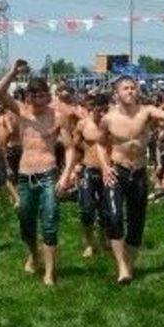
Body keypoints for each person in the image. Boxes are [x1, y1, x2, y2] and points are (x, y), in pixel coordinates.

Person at [0, 60, 74, 286]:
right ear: (28, 96)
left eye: (42, 95)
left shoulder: (57, 117)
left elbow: (69, 148)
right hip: (25, 175)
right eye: (33, 95)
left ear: (48, 96)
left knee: (49, 223)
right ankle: (33, 254)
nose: (38, 100)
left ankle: (49, 272)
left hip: (48, 174)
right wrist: (13, 71)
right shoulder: (22, 112)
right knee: (26, 223)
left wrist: (66, 175)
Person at [94, 76, 164, 285]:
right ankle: (122, 266)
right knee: (114, 218)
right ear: (117, 93)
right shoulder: (109, 118)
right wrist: (105, 167)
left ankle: (128, 265)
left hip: (138, 172)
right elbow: (100, 144)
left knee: (136, 222)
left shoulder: (146, 111)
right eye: (125, 88)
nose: (130, 91)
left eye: (133, 88)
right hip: (117, 171)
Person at [64, 92, 110, 259]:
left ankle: (103, 238)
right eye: (99, 110)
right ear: (92, 108)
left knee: (106, 209)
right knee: (87, 209)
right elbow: (74, 147)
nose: (102, 114)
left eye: (105, 110)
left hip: (107, 171)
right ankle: (89, 243)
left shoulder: (111, 124)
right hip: (88, 169)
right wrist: (74, 167)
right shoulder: (83, 124)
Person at [0, 109, 21, 208]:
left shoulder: (8, 116)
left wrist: (4, 144)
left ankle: (15, 199)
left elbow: (10, 131)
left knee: (8, 176)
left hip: (6, 148)